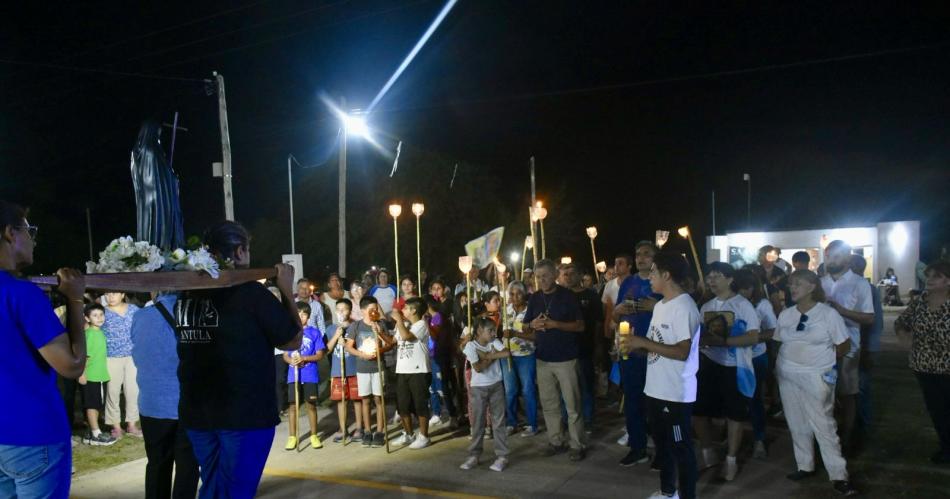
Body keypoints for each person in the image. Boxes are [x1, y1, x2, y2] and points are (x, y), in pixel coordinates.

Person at [173, 221, 303, 498]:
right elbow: (292, 340)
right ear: (240, 251)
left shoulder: (188, 294)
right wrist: (286, 290)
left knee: (213, 487)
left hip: (198, 411)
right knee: (235, 492)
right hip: (243, 412)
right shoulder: (252, 294)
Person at [0, 201, 87, 498]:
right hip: (33, 434)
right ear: (10, 233)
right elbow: (72, 365)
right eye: (29, 230)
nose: (33, 239)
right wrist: (75, 300)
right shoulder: (22, 294)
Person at [618, 251, 701, 499]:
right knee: (663, 446)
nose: (649, 276)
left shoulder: (684, 307)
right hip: (654, 388)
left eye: (653, 272)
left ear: (666, 275)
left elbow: (683, 352)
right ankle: (668, 492)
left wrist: (641, 341)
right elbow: (660, 345)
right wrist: (636, 347)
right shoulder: (661, 306)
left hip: (674, 392)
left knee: (680, 448)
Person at [774, 270, 858, 496]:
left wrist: (825, 364)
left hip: (816, 376)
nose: (792, 288)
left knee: (823, 424)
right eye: (790, 284)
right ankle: (805, 464)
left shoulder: (828, 314)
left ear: (812, 287)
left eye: (798, 284)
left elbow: (843, 345)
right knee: (796, 421)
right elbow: (779, 340)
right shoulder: (786, 314)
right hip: (788, 374)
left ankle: (838, 474)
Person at [694, 261, 762, 481]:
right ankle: (708, 451)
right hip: (709, 364)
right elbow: (701, 335)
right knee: (699, 411)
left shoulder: (743, 305)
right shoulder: (706, 307)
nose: (711, 280)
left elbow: (753, 337)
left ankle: (731, 459)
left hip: (735, 367)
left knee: (734, 414)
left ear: (731, 279)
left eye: (717, 276)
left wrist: (724, 341)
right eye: (709, 276)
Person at [132, 294, 199, 499]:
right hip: (189, 404)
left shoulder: (140, 317)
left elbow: (137, 350)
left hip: (152, 403)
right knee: (187, 467)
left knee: (157, 464)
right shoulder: (197, 314)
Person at [524, 259, 588, 461]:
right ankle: (555, 441)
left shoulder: (568, 296)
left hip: (566, 358)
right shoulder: (534, 298)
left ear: (554, 275)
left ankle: (577, 444)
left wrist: (554, 324)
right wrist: (533, 324)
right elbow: (525, 327)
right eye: (538, 276)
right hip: (543, 358)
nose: (542, 280)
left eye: (545, 275)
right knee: (550, 405)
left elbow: (580, 326)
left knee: (572, 405)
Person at [821, 241, 874, 454]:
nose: (831, 261)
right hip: (821, 346)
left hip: (849, 346)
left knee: (847, 392)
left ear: (847, 258)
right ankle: (827, 436)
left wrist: (840, 310)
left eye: (836, 256)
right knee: (824, 393)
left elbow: (869, 318)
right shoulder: (818, 283)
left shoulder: (860, 284)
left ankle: (848, 436)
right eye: (828, 256)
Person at [895, 260, 950, 464]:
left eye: (936, 276)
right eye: (929, 275)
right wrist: (903, 336)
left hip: (948, 367)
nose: (929, 280)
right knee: (937, 410)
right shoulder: (920, 302)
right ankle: (946, 447)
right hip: (924, 366)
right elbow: (902, 321)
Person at [611, 241, 661, 465]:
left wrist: (655, 307)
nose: (641, 258)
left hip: (656, 350)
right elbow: (618, 316)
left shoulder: (661, 281)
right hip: (629, 350)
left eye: (647, 254)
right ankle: (637, 446)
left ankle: (662, 451)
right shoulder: (628, 282)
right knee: (632, 400)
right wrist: (617, 312)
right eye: (638, 254)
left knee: (657, 404)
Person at [734, 268, 777, 458]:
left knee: (754, 398)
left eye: (746, 288)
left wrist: (753, 338)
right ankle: (735, 434)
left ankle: (759, 437)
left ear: (753, 288)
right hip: (734, 358)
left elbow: (774, 330)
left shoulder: (762, 305)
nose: (743, 292)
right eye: (739, 288)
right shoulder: (732, 303)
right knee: (735, 399)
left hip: (756, 357)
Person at [460, 317, 511, 472]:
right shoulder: (470, 346)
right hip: (478, 388)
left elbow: (507, 353)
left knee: (499, 421)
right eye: (490, 331)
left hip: (496, 385)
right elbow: (478, 368)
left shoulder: (494, 342)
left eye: (494, 330)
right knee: (478, 422)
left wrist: (486, 356)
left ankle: (502, 456)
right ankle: (474, 455)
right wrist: (492, 356)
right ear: (480, 331)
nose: (494, 333)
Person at [345, 296, 396, 448]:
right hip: (362, 368)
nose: (375, 312)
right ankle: (367, 430)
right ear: (363, 311)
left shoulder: (380, 324)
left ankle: (380, 431)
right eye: (371, 309)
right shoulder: (356, 326)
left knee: (379, 399)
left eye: (376, 309)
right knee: (365, 400)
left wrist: (379, 336)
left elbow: (390, 344)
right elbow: (349, 346)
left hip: (378, 367)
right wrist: (362, 354)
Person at [560, 263, 603, 430]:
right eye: (566, 274)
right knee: (566, 387)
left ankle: (588, 419)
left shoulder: (591, 296)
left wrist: (598, 346)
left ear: (580, 275)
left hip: (585, 347)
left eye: (572, 273)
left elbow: (598, 323)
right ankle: (567, 419)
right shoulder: (561, 296)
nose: (569, 277)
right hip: (565, 350)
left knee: (586, 385)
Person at [284, 302, 327, 451]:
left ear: (308, 316)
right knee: (292, 406)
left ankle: (314, 435)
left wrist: (304, 359)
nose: (300, 316)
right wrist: (292, 361)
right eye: (297, 313)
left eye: (303, 314)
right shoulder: (289, 332)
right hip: (293, 375)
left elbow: (320, 354)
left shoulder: (314, 333)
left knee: (311, 405)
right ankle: (292, 437)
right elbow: (285, 355)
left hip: (309, 374)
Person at [391, 297, 433, 449]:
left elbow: (406, 337)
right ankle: (409, 434)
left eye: (406, 308)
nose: (403, 310)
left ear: (414, 310)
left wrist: (398, 320)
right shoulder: (404, 325)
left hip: (418, 370)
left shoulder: (421, 324)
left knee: (420, 404)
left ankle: (424, 436)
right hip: (402, 370)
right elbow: (392, 342)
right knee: (402, 405)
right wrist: (378, 330)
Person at [850, 254, 883, 442]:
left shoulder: (865, 288)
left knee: (861, 387)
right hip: (862, 345)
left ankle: (863, 426)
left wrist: (868, 349)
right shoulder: (862, 287)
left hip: (865, 345)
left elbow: (871, 322)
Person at [500, 280, 539, 437]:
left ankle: (532, 424)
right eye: (512, 294)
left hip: (526, 355)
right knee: (510, 391)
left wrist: (516, 334)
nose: (515, 297)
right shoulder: (506, 310)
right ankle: (512, 422)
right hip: (507, 355)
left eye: (518, 294)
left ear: (525, 295)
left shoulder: (531, 312)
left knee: (528, 389)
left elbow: (536, 336)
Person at [102, 291, 142, 438]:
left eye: (114, 294)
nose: (110, 296)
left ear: (122, 294)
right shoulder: (102, 311)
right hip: (111, 356)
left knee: (133, 390)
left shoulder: (133, 310)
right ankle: (116, 426)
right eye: (108, 294)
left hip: (132, 356)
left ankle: (132, 424)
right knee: (112, 391)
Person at [79, 303, 117, 446]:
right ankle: (96, 433)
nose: (99, 318)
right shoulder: (90, 335)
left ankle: (91, 433)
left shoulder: (98, 332)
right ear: (87, 318)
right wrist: (81, 374)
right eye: (95, 315)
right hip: (92, 376)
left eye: (101, 314)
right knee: (92, 405)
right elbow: (85, 357)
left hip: (99, 375)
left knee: (95, 404)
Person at [326, 298, 363, 443]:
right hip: (337, 370)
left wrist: (346, 343)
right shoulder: (330, 329)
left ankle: (359, 427)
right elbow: (327, 350)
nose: (341, 312)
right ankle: (343, 428)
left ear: (350, 311)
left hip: (353, 368)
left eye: (344, 309)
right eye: (339, 309)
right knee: (341, 401)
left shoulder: (355, 326)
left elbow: (360, 346)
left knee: (357, 399)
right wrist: (336, 336)